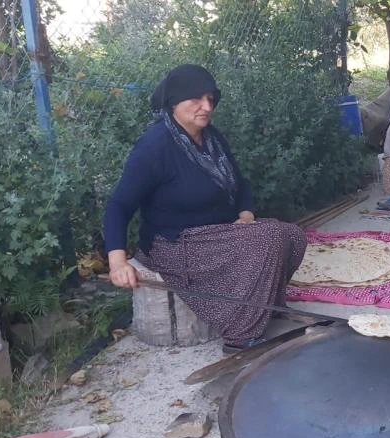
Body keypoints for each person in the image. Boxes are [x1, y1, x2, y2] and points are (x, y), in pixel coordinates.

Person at [103, 64, 308, 354]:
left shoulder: (211, 137)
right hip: (175, 244)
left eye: (210, 99)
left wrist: (246, 215)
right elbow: (118, 205)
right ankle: (241, 334)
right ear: (175, 101)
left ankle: (264, 308)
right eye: (196, 99)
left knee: (292, 235)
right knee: (270, 238)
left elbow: (241, 183)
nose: (206, 107)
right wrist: (117, 262)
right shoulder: (155, 146)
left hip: (219, 233)